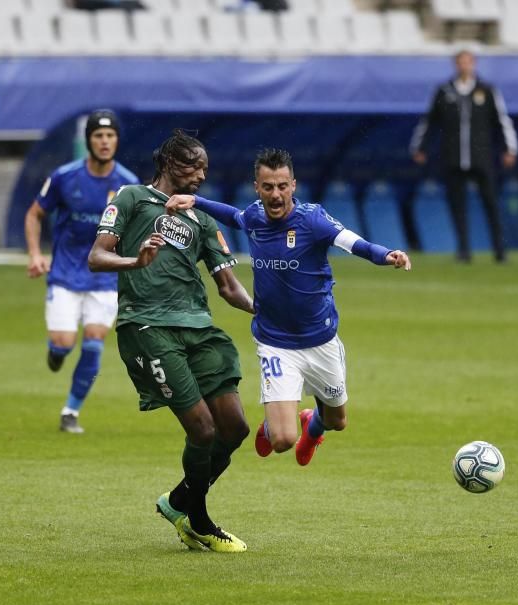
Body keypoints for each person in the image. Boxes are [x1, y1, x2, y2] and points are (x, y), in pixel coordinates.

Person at [165, 148, 410, 466]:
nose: (276, 194)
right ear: (257, 188)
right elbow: (235, 217)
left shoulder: (312, 220)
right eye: (268, 187)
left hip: (321, 340)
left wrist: (386, 254)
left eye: (282, 186)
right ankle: (276, 424)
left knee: (337, 421)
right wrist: (195, 201)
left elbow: (353, 242)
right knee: (281, 440)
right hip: (275, 341)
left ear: (293, 185)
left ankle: (313, 426)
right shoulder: (254, 216)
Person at [88, 130, 254, 553]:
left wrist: (267, 311)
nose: (199, 175)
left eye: (204, 168)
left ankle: (179, 501)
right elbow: (97, 255)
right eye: (190, 166)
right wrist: (134, 259)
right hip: (147, 327)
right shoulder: (130, 197)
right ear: (167, 164)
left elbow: (229, 287)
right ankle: (197, 520)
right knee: (202, 429)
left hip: (199, 328)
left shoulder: (202, 219)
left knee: (235, 427)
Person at [24, 110, 139, 434]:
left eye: (110, 136)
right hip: (65, 273)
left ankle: (70, 412)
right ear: (88, 140)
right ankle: (57, 353)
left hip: (104, 277)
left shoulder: (128, 185)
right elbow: (35, 214)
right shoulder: (65, 176)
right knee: (63, 343)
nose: (104, 142)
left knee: (94, 342)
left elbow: (138, 229)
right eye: (98, 136)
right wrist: (35, 254)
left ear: (117, 140)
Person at [410, 49, 518, 263]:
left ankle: (500, 250)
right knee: (457, 205)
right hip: (453, 157)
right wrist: (420, 147)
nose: (464, 66)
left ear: (474, 64)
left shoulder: (486, 90)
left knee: (491, 204)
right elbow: (429, 122)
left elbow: (502, 121)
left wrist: (509, 148)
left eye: (468, 62)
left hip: (482, 157)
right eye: (460, 62)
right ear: (455, 65)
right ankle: (464, 250)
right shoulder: (444, 91)